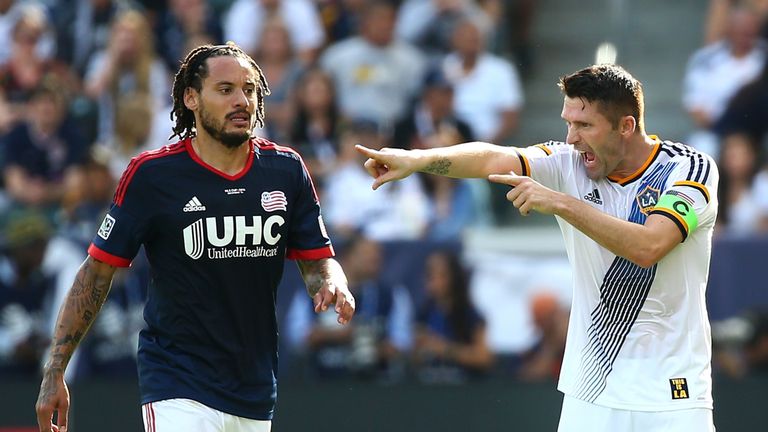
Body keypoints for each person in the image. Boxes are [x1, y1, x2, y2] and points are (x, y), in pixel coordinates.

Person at [357, 63, 719, 431]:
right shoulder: (568, 163)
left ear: (626, 126)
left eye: (585, 126)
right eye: (568, 123)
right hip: (591, 392)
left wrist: (560, 202)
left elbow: (650, 246)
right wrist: (418, 160)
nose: (572, 138)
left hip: (674, 396)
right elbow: (491, 158)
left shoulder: (688, 170)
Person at [35, 42, 355, 432]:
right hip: (175, 381)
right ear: (191, 97)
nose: (242, 101)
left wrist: (332, 280)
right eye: (225, 90)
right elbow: (96, 273)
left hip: (253, 388)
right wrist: (55, 369)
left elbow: (316, 261)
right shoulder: (153, 176)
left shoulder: (285, 171)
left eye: (249, 89)